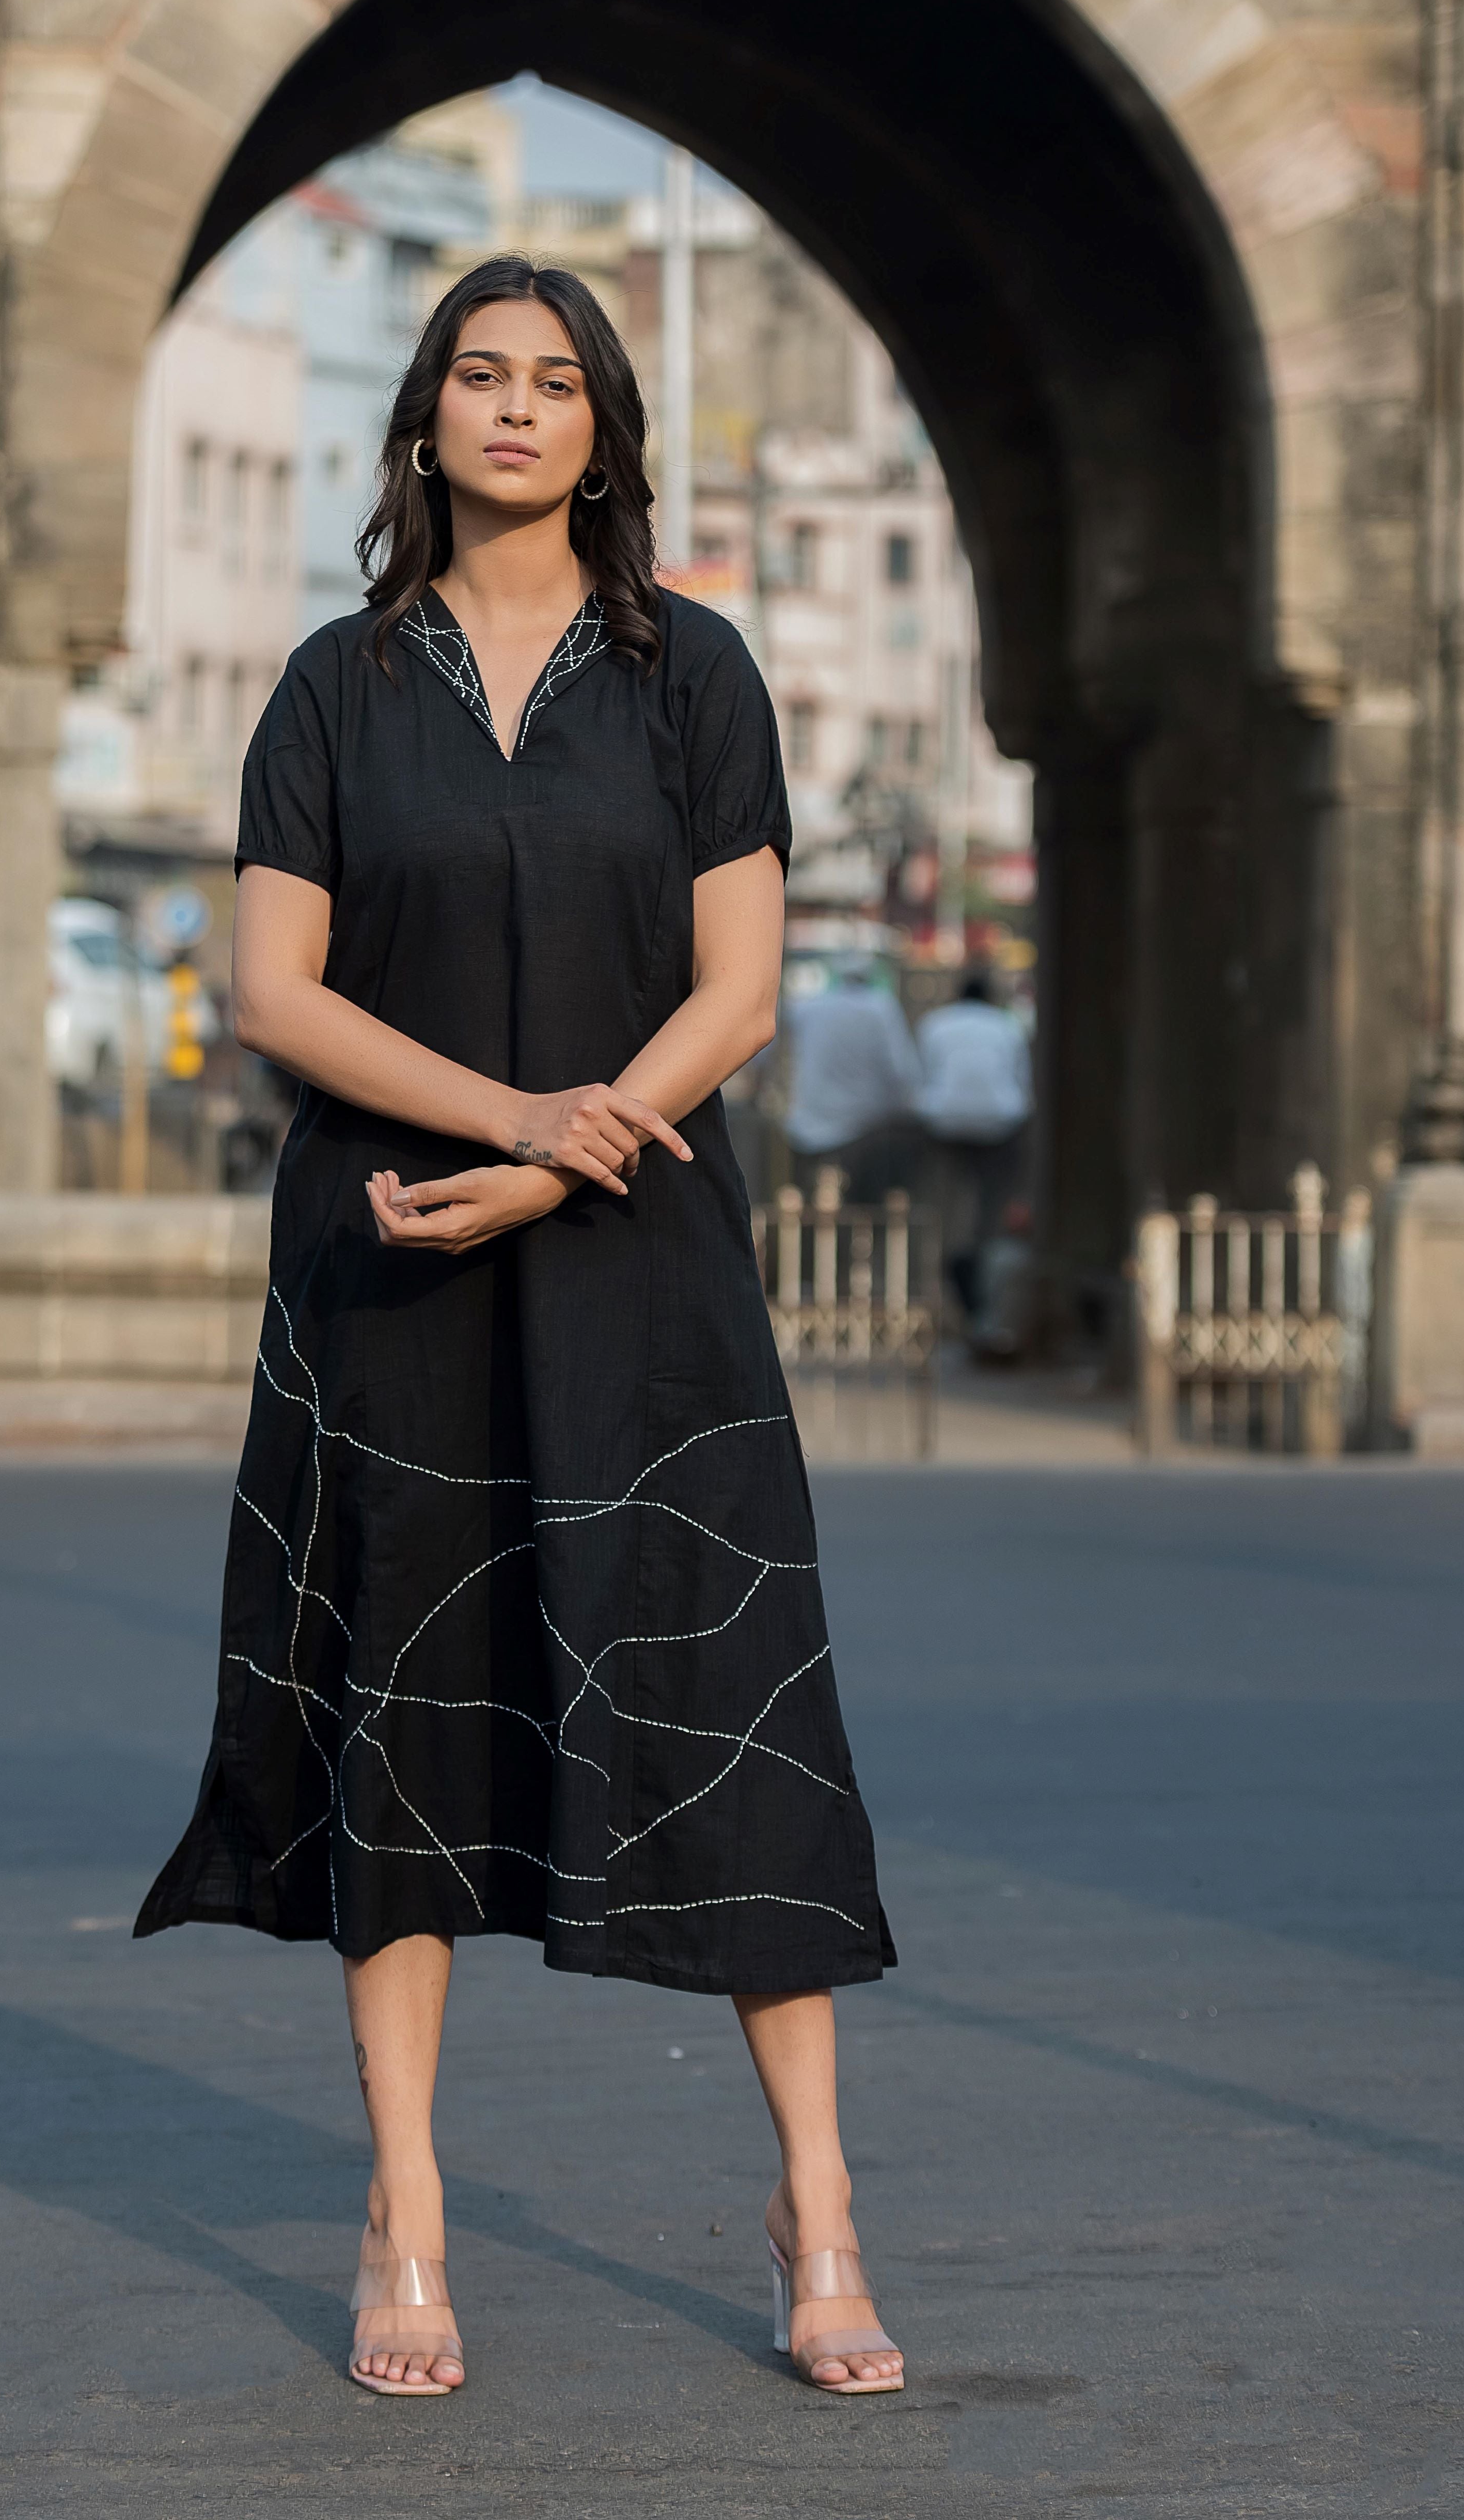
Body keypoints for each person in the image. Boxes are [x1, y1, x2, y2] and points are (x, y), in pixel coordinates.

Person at [135, 257, 901, 2403]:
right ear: (421, 415)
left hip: (638, 1261)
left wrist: (569, 1160)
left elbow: (737, 992)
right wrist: (494, 1121)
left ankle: (817, 2204)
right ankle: (404, 2201)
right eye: (479, 374)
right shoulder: (327, 684)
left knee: (718, 1697)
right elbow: (277, 988)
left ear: (602, 428)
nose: (514, 409)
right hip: (389, 1246)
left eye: (555, 382)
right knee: (406, 1714)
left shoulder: (690, 673)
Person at [916, 969, 1032, 1321]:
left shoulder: (935, 1022)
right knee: (992, 1202)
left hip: (944, 1120)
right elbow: (1021, 1080)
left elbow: (923, 1075)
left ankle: (947, 1261)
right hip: (1000, 1121)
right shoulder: (1007, 1025)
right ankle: (984, 1254)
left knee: (947, 1203)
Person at [779, 956, 923, 1208]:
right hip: (865, 1129)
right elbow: (901, 1070)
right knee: (864, 1207)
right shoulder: (881, 1008)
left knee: (809, 1209)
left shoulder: (810, 1007)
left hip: (808, 1126)